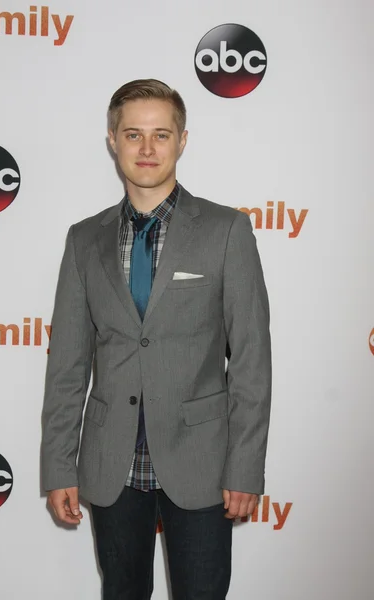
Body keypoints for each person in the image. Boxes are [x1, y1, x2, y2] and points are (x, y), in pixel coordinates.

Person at [41, 78, 272, 599]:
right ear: (112, 141)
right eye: (133, 135)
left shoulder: (226, 231)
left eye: (161, 135)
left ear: (182, 141)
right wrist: (59, 465)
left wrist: (245, 466)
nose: (147, 149)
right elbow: (68, 366)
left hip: (204, 463)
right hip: (111, 462)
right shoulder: (84, 239)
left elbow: (252, 358)